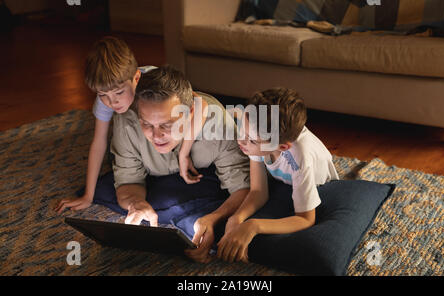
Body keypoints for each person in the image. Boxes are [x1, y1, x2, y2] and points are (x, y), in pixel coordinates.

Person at [110, 65, 250, 263]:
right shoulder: (126, 123)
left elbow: (244, 189)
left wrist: (214, 218)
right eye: (147, 124)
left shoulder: (220, 127)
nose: (156, 136)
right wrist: (136, 204)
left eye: (167, 125)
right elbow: (127, 181)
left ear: (190, 113)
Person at [55, 37, 207, 214]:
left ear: (136, 77)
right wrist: (88, 196)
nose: (112, 102)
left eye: (119, 92)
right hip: (133, 142)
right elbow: (99, 142)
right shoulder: (106, 100)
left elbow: (200, 104)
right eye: (102, 94)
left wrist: (184, 153)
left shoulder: (154, 81)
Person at [217, 87, 339, 263]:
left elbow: (305, 218)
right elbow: (258, 191)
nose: (241, 140)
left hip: (321, 185)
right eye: (242, 130)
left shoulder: (300, 158)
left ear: (282, 147)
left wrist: (253, 226)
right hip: (283, 179)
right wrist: (237, 218)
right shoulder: (255, 134)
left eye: (251, 140)